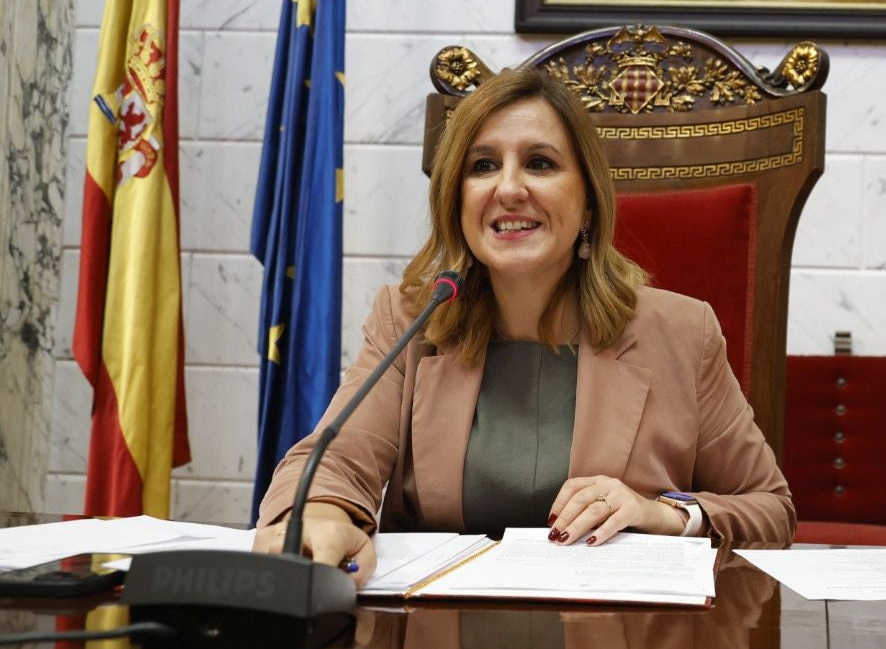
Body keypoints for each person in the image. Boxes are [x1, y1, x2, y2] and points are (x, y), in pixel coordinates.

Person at [253, 67, 794, 583]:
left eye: (539, 163)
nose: (508, 189)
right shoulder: (411, 319)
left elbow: (770, 510)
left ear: (587, 205)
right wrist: (321, 511)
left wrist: (665, 514)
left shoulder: (682, 331)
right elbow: (334, 458)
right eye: (483, 166)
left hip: (617, 646)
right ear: (456, 202)